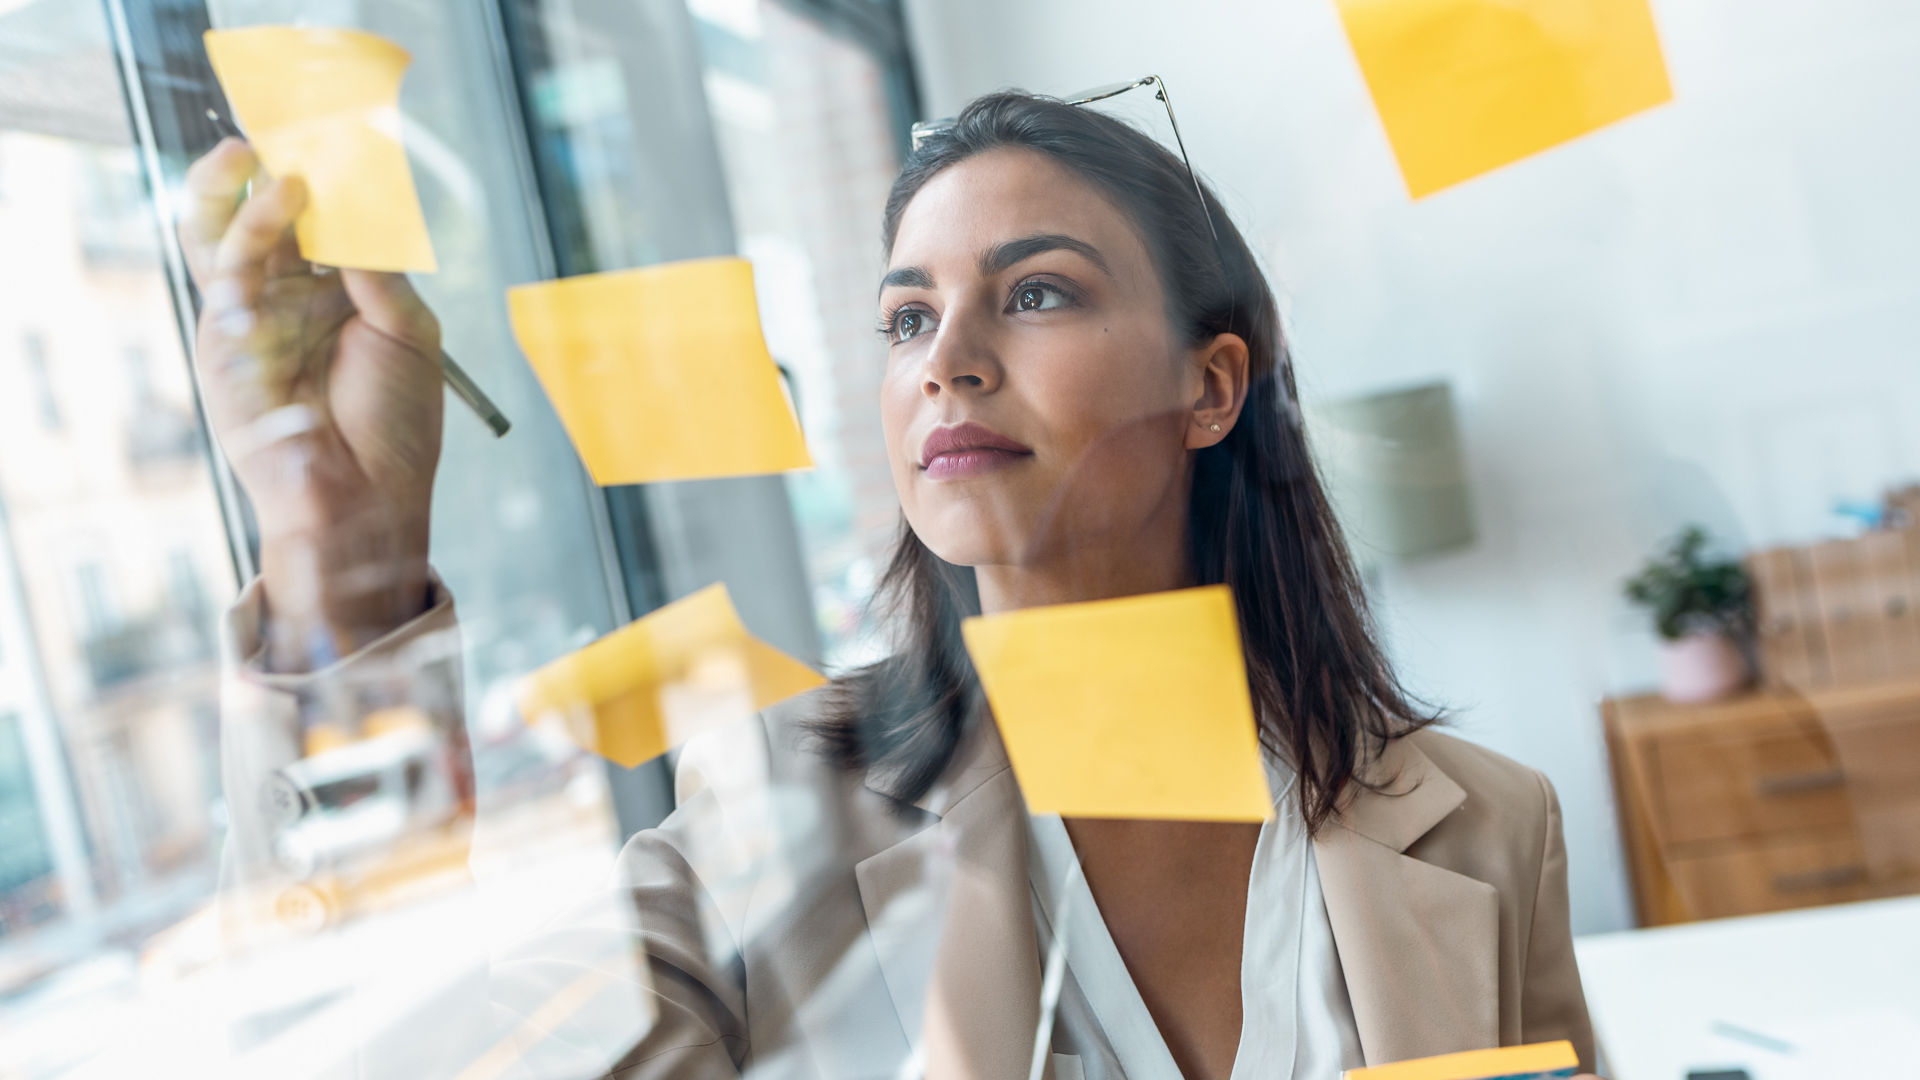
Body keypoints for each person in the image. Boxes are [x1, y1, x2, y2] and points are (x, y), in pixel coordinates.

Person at [185, 90, 1602, 1079]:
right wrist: (334, 563)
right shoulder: (777, 819)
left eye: (1036, 292)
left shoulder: (1481, 828)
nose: (947, 359)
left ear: (1208, 385)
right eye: (907, 315)